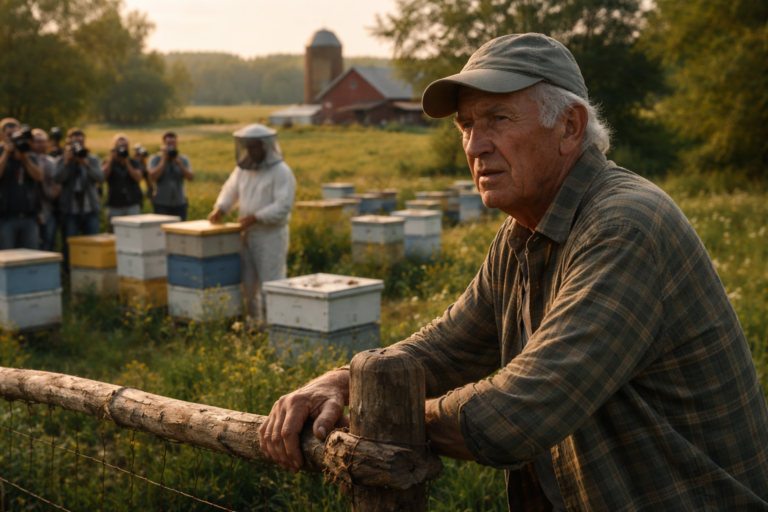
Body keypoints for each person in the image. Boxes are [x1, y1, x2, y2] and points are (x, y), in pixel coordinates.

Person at [260, 34, 768, 510]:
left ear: (569, 127)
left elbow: (519, 413)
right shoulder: (523, 231)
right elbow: (451, 346)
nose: (475, 145)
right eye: (466, 125)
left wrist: (377, 419)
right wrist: (342, 382)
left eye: (498, 118)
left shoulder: (624, 226)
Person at [207, 124, 295, 327]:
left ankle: (275, 326)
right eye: (246, 147)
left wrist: (256, 217)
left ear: (265, 146)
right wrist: (221, 208)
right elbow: (230, 191)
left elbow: (283, 205)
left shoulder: (281, 172)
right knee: (247, 284)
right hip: (246, 235)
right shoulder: (242, 170)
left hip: (270, 236)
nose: (249, 151)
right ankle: (254, 324)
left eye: (253, 147)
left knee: (271, 283)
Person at [55, 127, 104, 268]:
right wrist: (67, 163)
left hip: (90, 210)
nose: (78, 145)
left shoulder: (92, 159)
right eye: (74, 142)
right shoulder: (61, 160)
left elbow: (100, 178)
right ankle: (70, 273)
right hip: (70, 211)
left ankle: (91, 270)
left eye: (80, 142)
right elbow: (58, 179)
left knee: (92, 245)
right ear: (68, 143)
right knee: (70, 246)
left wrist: (86, 164)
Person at [0, 118, 44, 250]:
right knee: (7, 257)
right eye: (10, 135)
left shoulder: (28, 153)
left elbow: (39, 176)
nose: (13, 138)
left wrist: (25, 159)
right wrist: (6, 154)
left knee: (31, 257)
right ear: (2, 135)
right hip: (5, 218)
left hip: (29, 217)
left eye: (16, 134)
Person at [148, 130, 193, 221]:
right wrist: (163, 161)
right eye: (168, 144)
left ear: (177, 144)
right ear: (163, 144)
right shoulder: (155, 159)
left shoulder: (183, 159)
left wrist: (179, 163)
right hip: (161, 204)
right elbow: (152, 177)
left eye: (173, 143)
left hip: (180, 203)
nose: (171, 146)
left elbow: (191, 177)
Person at [102, 133, 144, 230]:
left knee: (135, 233)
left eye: (124, 146)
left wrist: (127, 162)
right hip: (114, 206)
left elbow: (138, 178)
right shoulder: (108, 162)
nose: (122, 148)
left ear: (128, 147)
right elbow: (102, 177)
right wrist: (110, 159)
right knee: (113, 235)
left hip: (132, 205)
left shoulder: (134, 162)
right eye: (119, 146)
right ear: (114, 147)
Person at [31, 129, 61, 251]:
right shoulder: (24, 159)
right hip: (30, 212)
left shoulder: (50, 161)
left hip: (48, 209)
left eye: (43, 141)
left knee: (48, 245)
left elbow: (56, 185)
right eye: (37, 141)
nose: (40, 144)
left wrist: (54, 192)